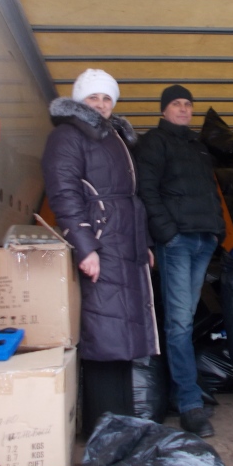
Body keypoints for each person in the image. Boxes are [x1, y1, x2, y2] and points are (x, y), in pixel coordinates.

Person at [40, 69, 159, 438]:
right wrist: (85, 246)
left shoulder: (113, 136)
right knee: (104, 336)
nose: (101, 104)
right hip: (103, 244)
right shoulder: (68, 135)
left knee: (121, 341)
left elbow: (131, 199)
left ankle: (121, 429)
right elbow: (63, 191)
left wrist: (145, 244)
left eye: (107, 98)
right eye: (93, 97)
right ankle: (103, 432)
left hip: (124, 245)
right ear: (79, 99)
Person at [135, 84, 226, 438]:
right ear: (163, 110)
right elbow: (146, 189)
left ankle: (181, 391)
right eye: (176, 104)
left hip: (203, 239)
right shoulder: (154, 142)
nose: (184, 109)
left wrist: (218, 231)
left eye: (188, 104)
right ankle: (190, 405)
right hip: (178, 241)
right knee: (179, 324)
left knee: (184, 319)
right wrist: (167, 233)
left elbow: (211, 191)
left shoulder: (198, 146)